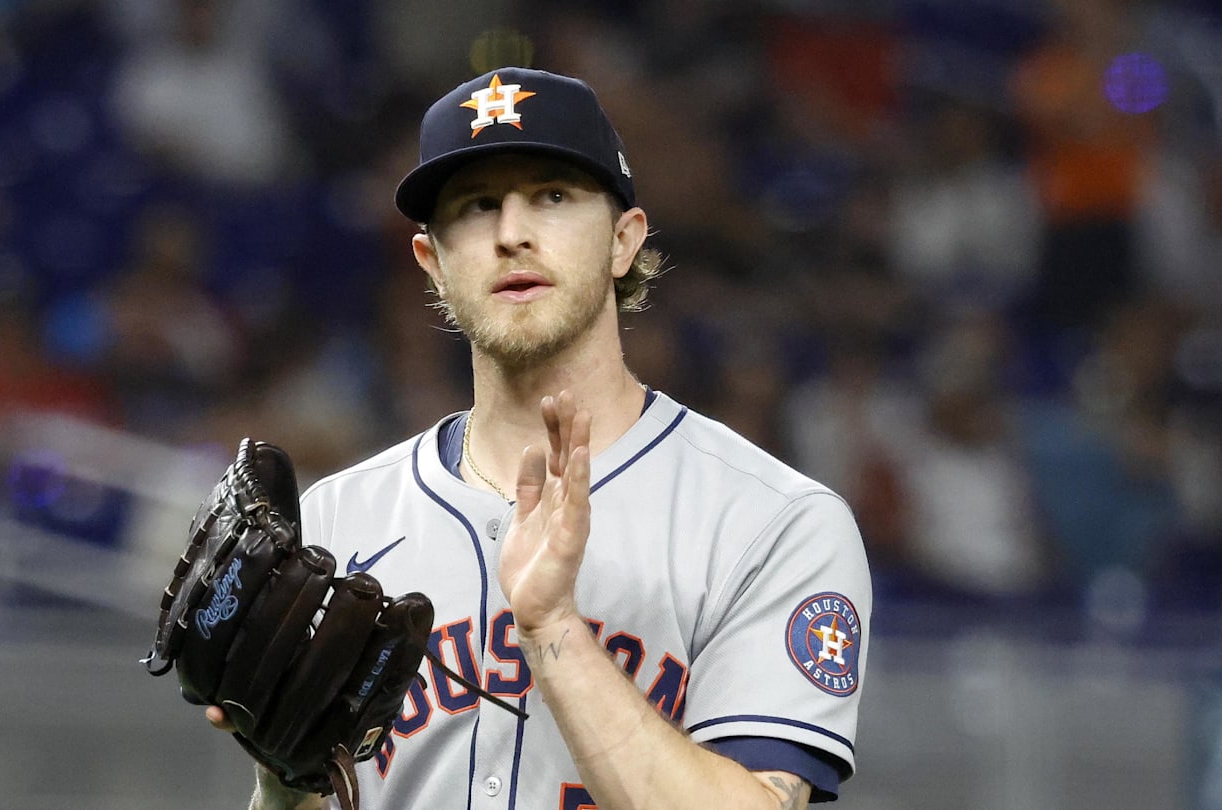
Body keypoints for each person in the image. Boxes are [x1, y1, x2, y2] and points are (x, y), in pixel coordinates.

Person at [208, 66, 872, 809]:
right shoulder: (337, 522)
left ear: (623, 241)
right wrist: (284, 786)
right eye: (477, 205)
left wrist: (554, 627)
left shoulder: (772, 523)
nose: (511, 233)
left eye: (552, 196)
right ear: (433, 263)